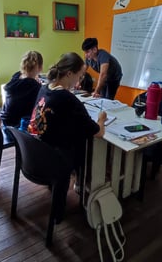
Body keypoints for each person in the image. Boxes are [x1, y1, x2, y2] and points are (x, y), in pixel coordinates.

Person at [28, 52, 107, 221]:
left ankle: (77, 182)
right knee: (83, 141)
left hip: (32, 155)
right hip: (52, 162)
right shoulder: (68, 99)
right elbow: (99, 132)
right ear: (69, 74)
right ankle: (79, 186)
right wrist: (101, 119)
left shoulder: (44, 87)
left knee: (76, 135)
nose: (79, 82)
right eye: (79, 76)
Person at [0, 50, 43, 127]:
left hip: (5, 121)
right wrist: (37, 84)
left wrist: (34, 80)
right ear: (39, 67)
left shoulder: (17, 75)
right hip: (16, 126)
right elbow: (37, 107)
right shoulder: (34, 86)